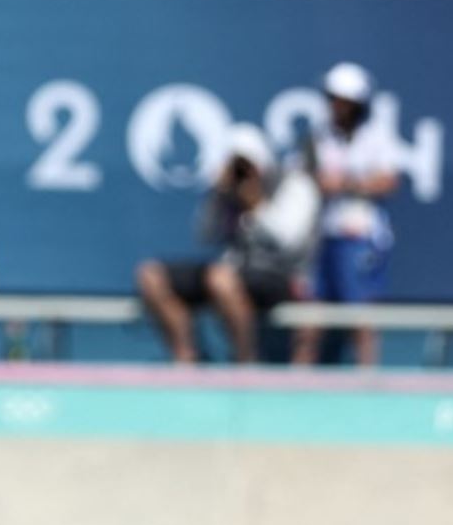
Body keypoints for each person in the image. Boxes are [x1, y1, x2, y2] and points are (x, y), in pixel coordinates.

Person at [136, 124, 319, 365]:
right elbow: (205, 234)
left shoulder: (294, 185)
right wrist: (217, 196)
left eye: (245, 166)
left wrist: (255, 206)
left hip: (278, 275)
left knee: (220, 279)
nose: (241, 173)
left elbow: (287, 241)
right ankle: (186, 357)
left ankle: (245, 360)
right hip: (230, 272)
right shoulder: (227, 191)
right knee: (151, 276)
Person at [293, 63, 401, 367]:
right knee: (309, 320)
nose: (333, 106)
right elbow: (311, 178)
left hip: (360, 239)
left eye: (339, 99)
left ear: (356, 104)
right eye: (330, 98)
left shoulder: (376, 137)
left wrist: (346, 183)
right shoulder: (318, 137)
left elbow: (389, 180)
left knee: (361, 320)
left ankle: (369, 390)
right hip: (324, 238)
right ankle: (294, 392)